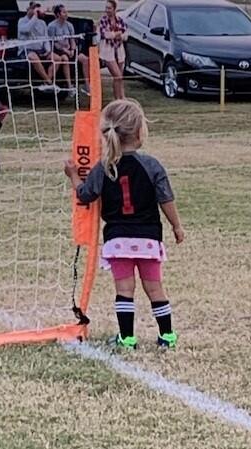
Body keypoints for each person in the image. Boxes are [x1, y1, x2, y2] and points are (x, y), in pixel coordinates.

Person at [64, 98, 184, 349]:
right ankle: (167, 336)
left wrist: (74, 176)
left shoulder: (103, 168)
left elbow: (85, 195)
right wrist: (176, 226)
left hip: (118, 240)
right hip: (149, 239)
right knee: (155, 288)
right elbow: (166, 199)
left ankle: (127, 338)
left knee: (124, 289)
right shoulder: (151, 166)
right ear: (140, 132)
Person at [17, 1, 67, 93]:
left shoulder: (42, 23)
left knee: (57, 58)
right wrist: (34, 17)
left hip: (41, 50)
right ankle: (49, 82)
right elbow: (27, 30)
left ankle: (45, 84)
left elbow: (45, 38)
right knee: (33, 57)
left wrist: (48, 50)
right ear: (29, 10)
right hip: (27, 50)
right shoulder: (22, 21)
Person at [48, 4, 90, 96]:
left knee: (84, 59)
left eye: (66, 12)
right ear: (58, 14)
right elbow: (54, 43)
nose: (66, 14)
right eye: (64, 12)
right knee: (65, 59)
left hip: (69, 49)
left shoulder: (69, 25)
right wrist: (65, 51)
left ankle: (87, 85)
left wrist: (73, 49)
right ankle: (69, 86)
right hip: (58, 50)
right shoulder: (52, 26)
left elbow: (72, 39)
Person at [98, 0, 127, 100]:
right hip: (108, 51)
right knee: (117, 75)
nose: (107, 10)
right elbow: (105, 35)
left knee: (119, 78)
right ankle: (118, 100)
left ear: (114, 9)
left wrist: (117, 35)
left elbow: (125, 35)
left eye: (109, 8)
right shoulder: (103, 20)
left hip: (119, 51)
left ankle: (121, 98)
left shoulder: (120, 20)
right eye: (106, 8)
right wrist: (116, 34)